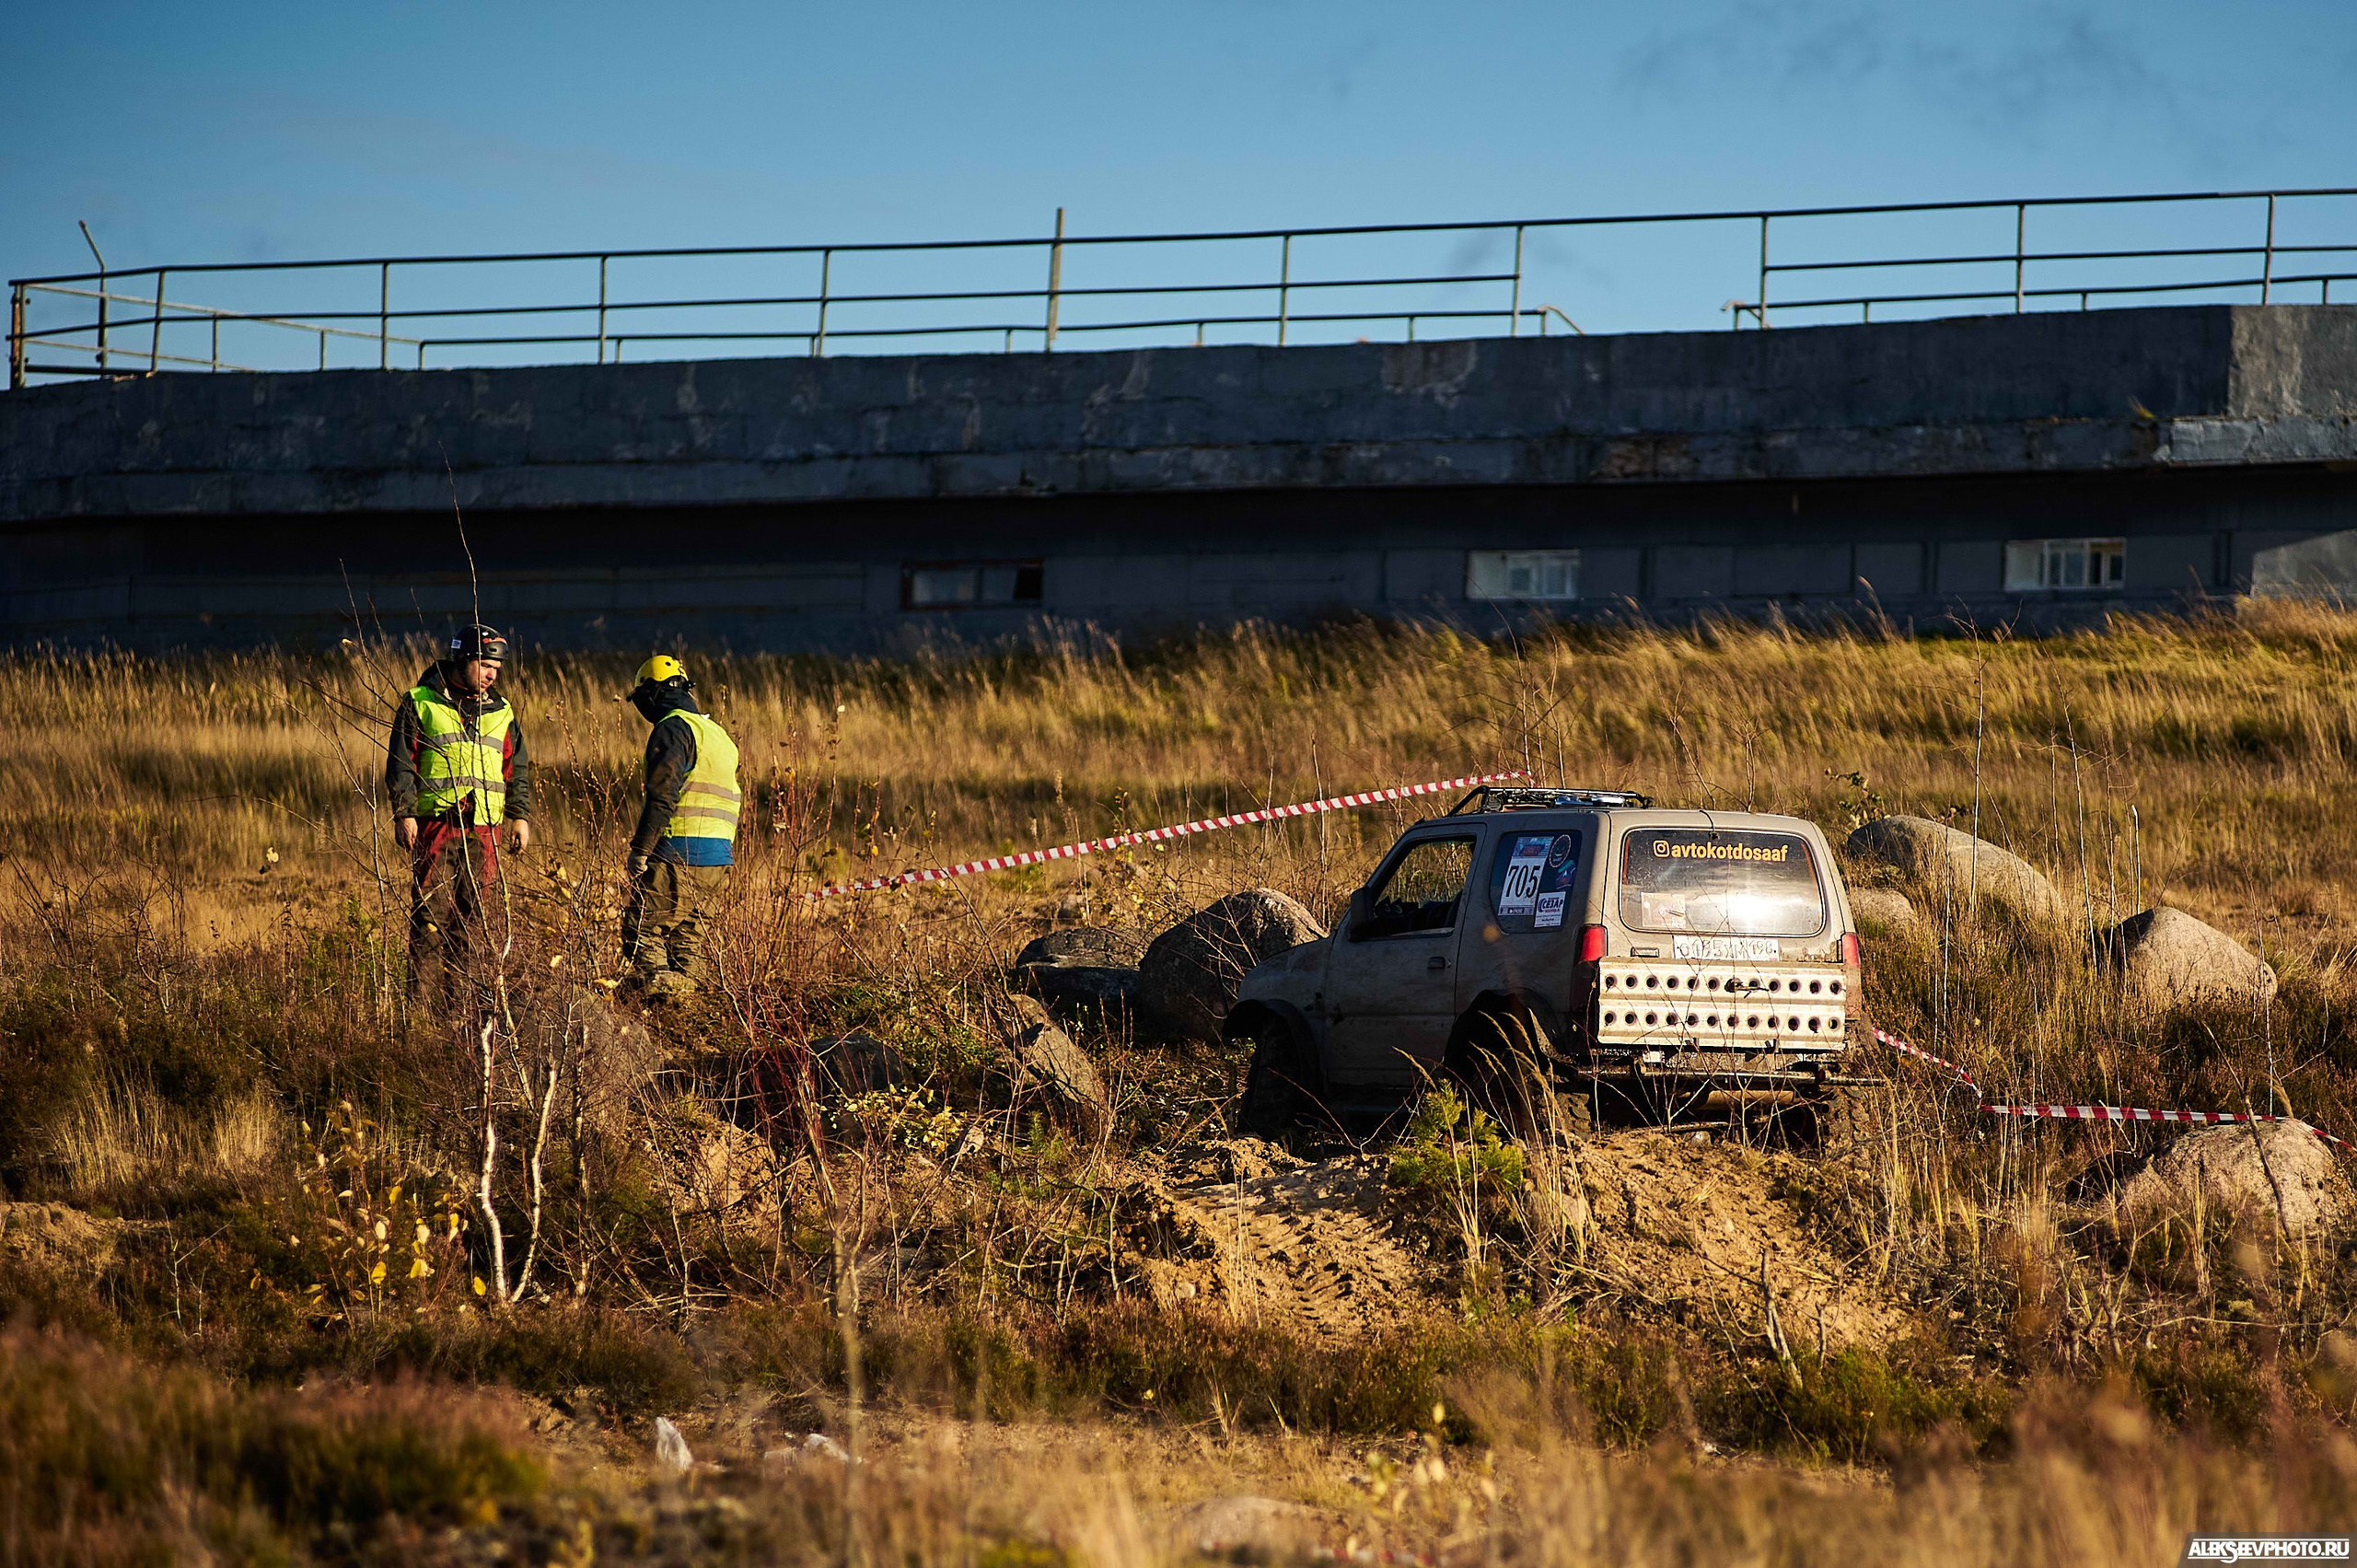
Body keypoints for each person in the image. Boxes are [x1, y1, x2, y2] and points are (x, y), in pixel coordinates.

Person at [385, 623, 534, 1011]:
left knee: (472, 923)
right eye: (485, 665)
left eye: (497, 669)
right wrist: (404, 812)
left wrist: (520, 817)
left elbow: (515, 768)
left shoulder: (502, 711)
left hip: (485, 831)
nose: (492, 675)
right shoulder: (420, 701)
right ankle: (419, 1014)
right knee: (429, 920)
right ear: (462, 659)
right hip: (437, 826)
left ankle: (459, 1014)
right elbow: (401, 763)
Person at [620, 655, 741, 997]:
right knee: (687, 940)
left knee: (642, 931)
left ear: (652, 693)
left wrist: (641, 850)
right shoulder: (718, 734)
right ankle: (687, 1008)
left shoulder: (672, 728)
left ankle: (661, 1002)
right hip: (718, 857)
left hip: (677, 851)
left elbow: (662, 795)